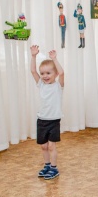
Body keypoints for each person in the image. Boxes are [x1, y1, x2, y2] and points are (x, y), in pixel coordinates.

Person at [30, 45, 65, 180]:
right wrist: (33, 56)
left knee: (51, 146)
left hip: (54, 121)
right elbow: (33, 71)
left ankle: (54, 168)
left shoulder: (58, 86)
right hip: (42, 120)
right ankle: (47, 165)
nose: (45, 76)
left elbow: (62, 73)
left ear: (55, 74)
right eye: (43, 73)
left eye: (48, 73)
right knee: (44, 146)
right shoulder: (41, 85)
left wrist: (54, 59)